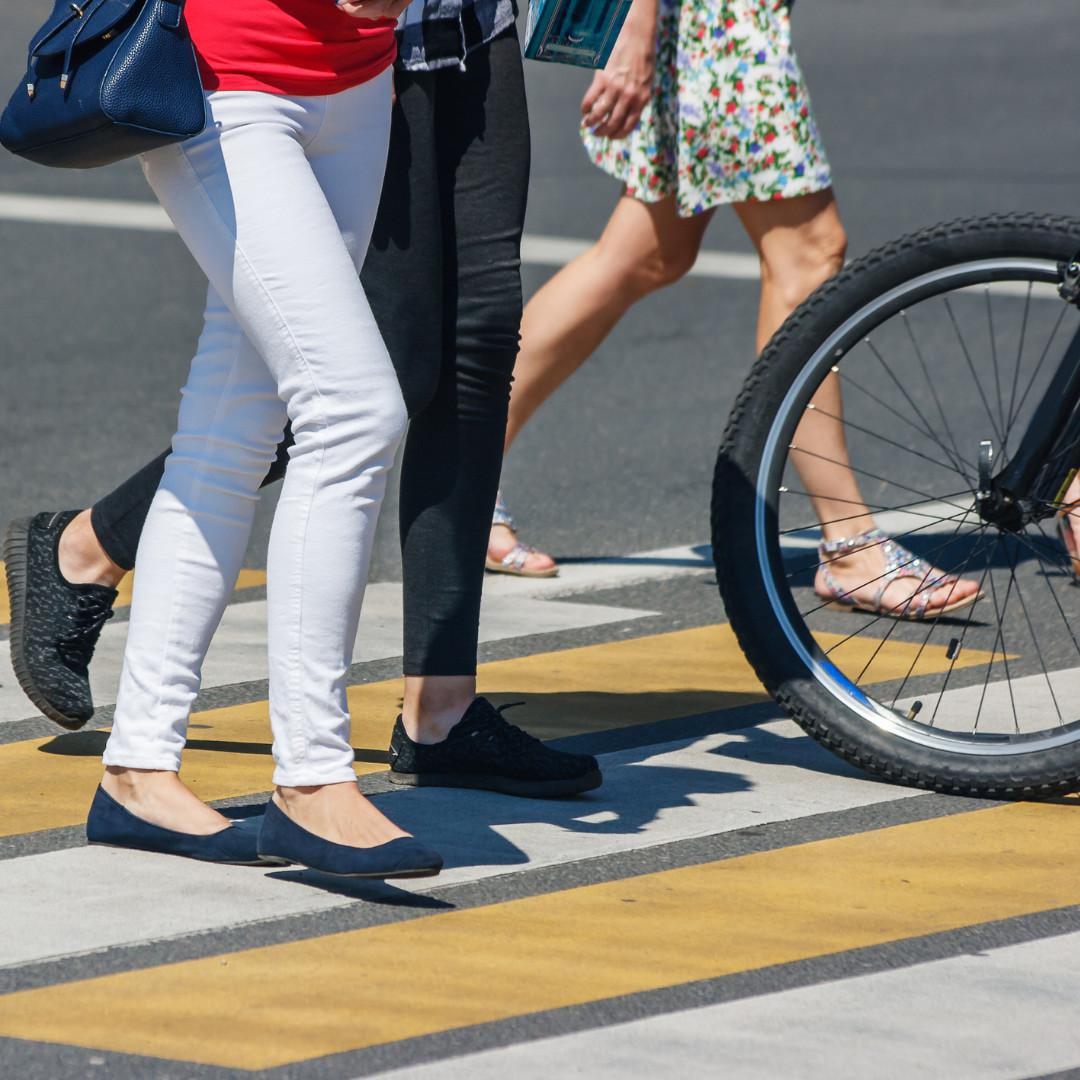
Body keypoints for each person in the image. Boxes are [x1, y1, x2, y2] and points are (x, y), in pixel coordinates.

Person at [7, 0, 601, 873]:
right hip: (229, 79)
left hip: (357, 81)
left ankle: (138, 768)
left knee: (231, 423)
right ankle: (313, 782)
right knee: (353, 409)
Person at [485, 0, 981, 620]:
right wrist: (635, 27)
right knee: (809, 253)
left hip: (709, 23)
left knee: (647, 252)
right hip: (717, 21)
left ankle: (464, 481)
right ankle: (850, 544)